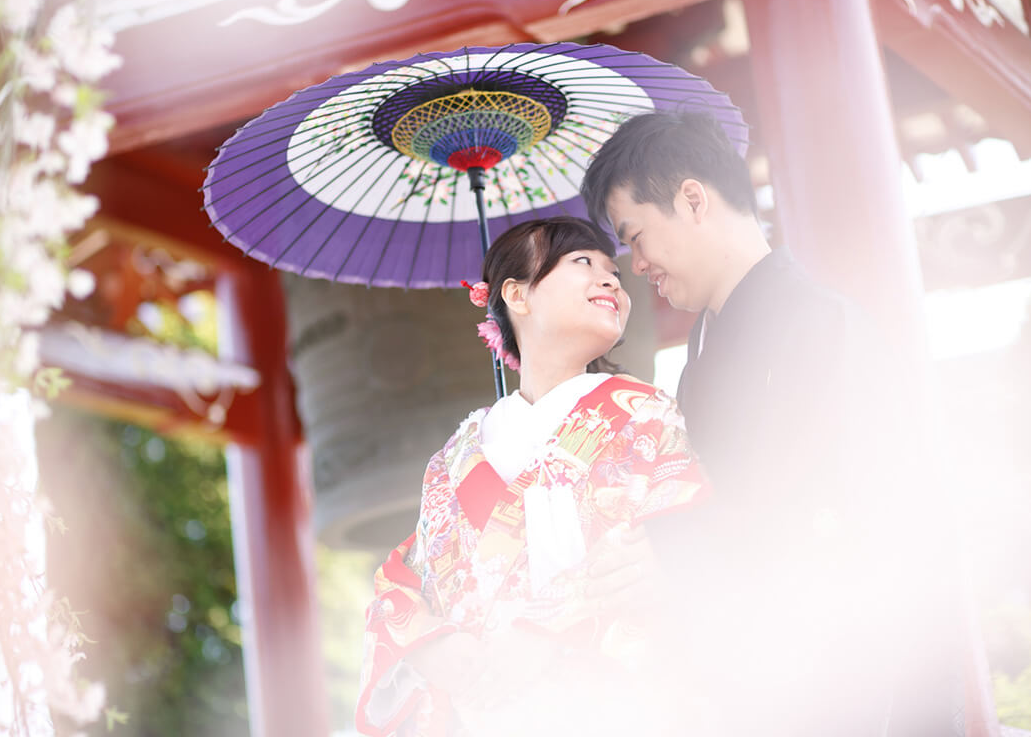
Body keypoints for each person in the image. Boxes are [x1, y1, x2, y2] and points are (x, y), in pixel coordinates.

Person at [580, 110, 959, 736]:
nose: (636, 264)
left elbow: (827, 509)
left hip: (861, 681)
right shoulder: (702, 357)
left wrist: (670, 551)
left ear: (693, 199)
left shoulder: (820, 324)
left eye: (636, 235)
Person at [355, 216, 709, 737]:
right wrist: (432, 645)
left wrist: (542, 632)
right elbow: (408, 577)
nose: (612, 279)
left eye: (614, 270)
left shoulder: (644, 412)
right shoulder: (454, 458)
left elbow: (678, 538)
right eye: (583, 263)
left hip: (605, 705)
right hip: (484, 715)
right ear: (516, 295)